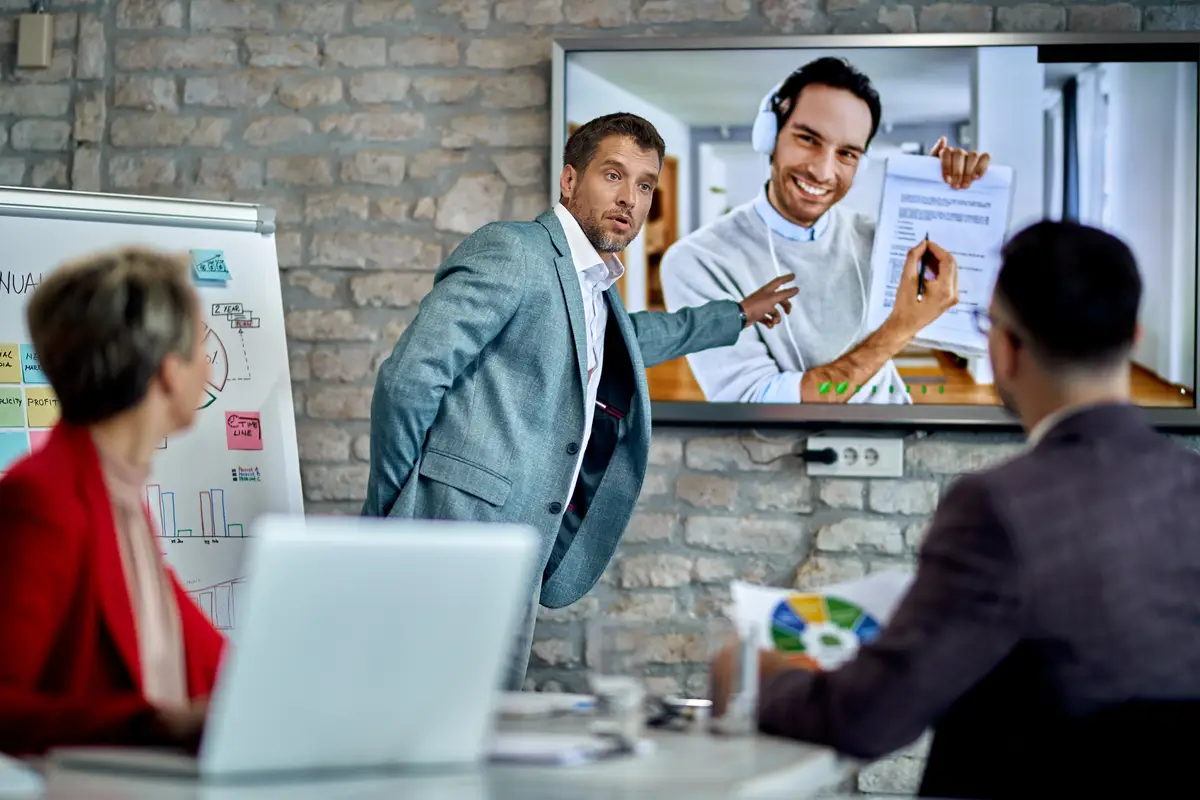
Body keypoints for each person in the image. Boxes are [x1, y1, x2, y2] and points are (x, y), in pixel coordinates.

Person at [710, 220, 1200, 797]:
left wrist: (755, 675)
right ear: (1134, 337)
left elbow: (866, 718)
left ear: (1006, 349)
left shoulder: (999, 508)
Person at [362, 112, 796, 691]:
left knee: (482, 724)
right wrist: (394, 511)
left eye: (645, 185)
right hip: (451, 538)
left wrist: (737, 314)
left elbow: (638, 339)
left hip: (521, 553)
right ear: (569, 180)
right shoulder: (515, 251)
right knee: (417, 712)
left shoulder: (593, 286)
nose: (630, 199)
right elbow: (409, 380)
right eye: (613, 175)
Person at [660, 56, 992, 404]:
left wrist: (947, 208)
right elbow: (757, 403)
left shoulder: (874, 237)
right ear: (769, 136)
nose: (822, 171)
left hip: (894, 427)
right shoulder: (698, 260)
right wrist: (898, 330)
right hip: (790, 440)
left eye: (847, 153)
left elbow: (969, 326)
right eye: (807, 138)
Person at [0, 247, 225, 755]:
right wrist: (155, 727)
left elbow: (217, 666)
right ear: (169, 371)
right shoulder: (42, 501)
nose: (210, 370)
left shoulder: (118, 497)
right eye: (202, 350)